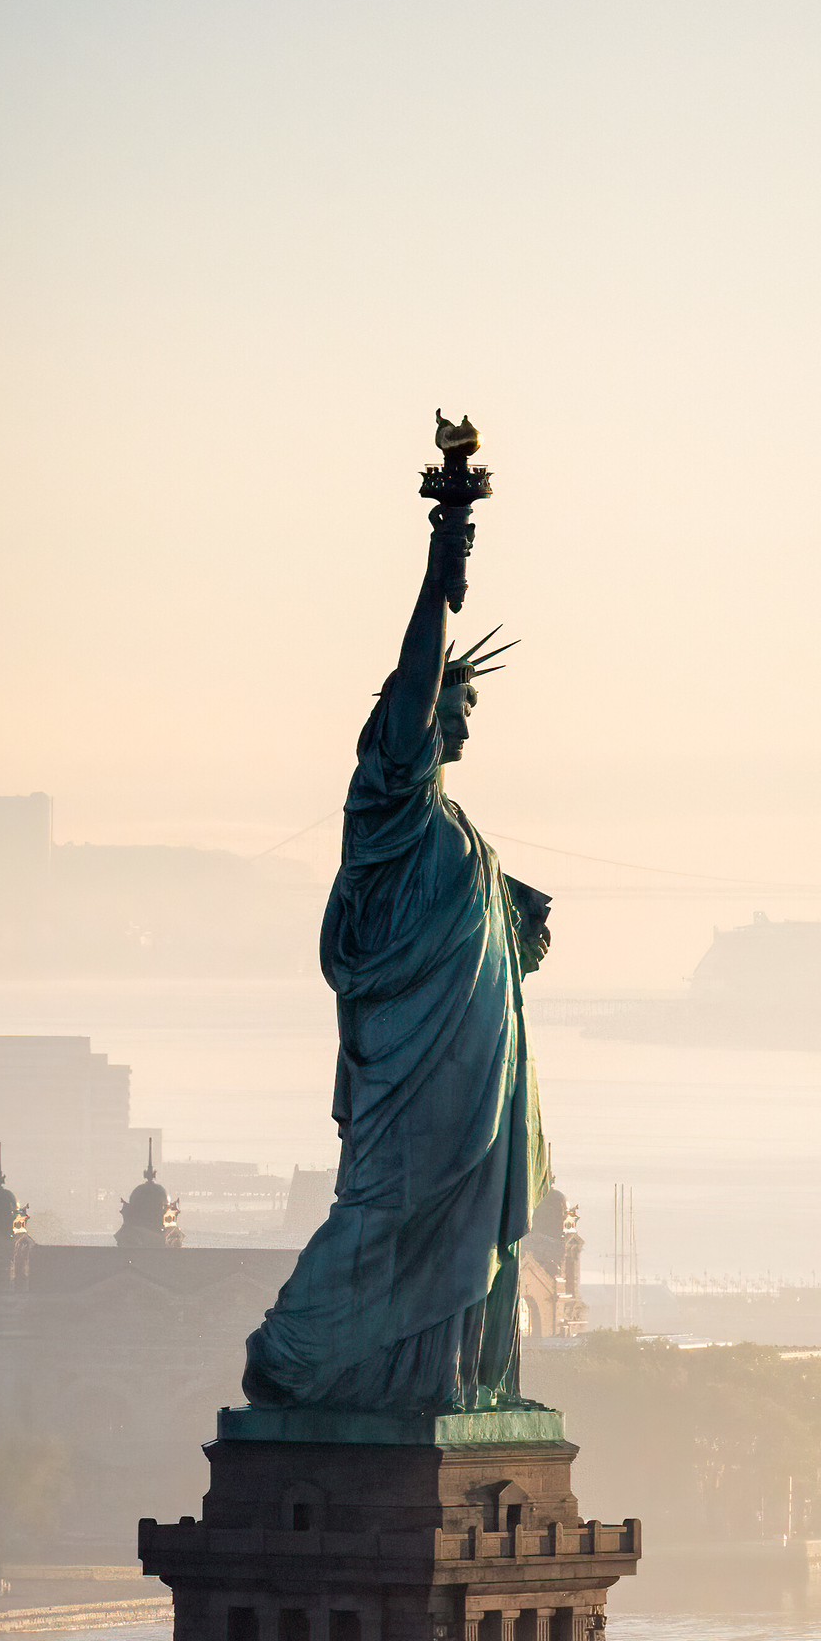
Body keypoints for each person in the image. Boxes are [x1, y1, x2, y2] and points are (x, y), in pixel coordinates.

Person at [241, 461, 552, 1413]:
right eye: (453, 709)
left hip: (471, 1061)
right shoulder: (391, 795)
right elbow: (418, 677)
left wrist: (511, 919)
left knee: (461, 1215)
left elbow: (471, 922)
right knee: (390, 1209)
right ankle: (293, 1356)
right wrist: (442, 553)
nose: (460, 725)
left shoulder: (454, 831)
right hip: (413, 1062)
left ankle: (451, 1378)